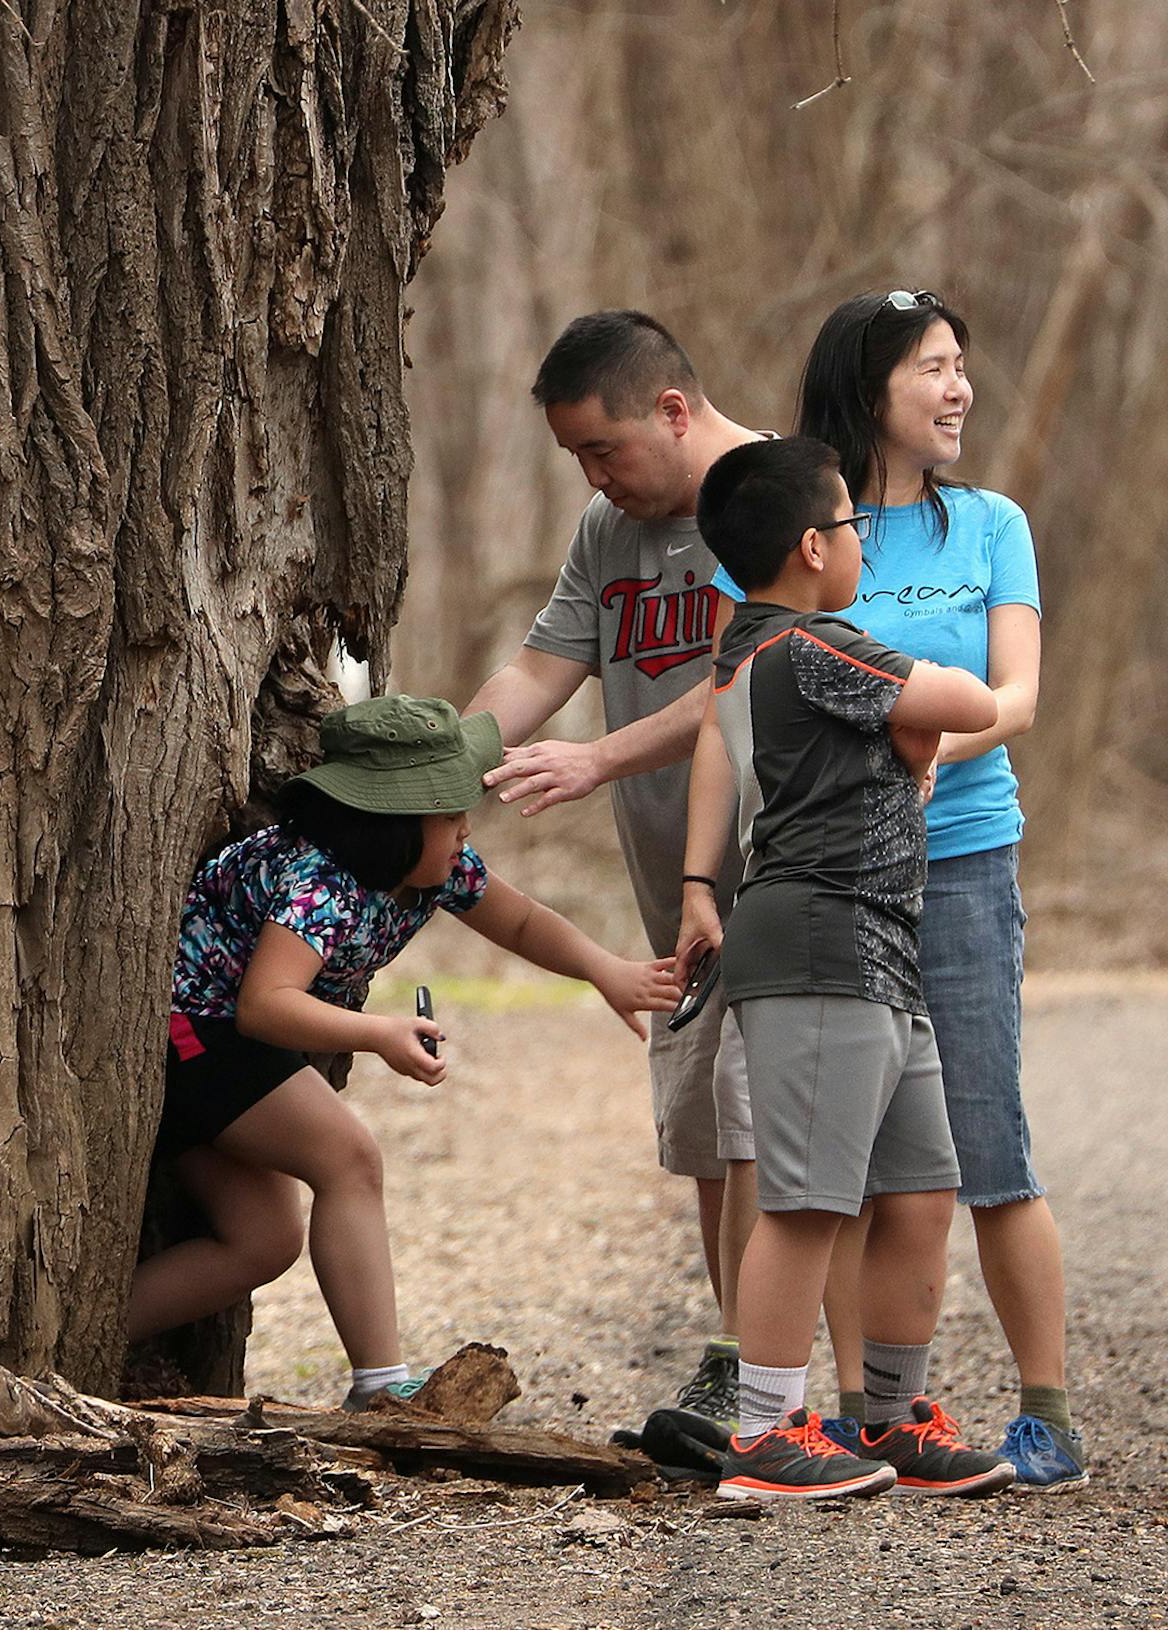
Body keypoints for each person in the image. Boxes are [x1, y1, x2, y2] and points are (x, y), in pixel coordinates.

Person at [126, 695, 683, 1411]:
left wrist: (604, 969)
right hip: (197, 1032)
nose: (463, 829)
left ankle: (91, 1345)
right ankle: (381, 1387)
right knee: (349, 1157)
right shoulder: (319, 882)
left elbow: (519, 920)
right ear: (392, 819)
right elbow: (266, 1004)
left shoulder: (435, 866)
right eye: (449, 813)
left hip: (233, 1035)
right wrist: (379, 1032)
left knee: (262, 1240)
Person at [774, 289, 1081, 1491]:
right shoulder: (814, 525)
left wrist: (925, 747)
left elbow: (1016, 698)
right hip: (838, 876)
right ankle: (863, 1416)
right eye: (933, 369)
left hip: (961, 863)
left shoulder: (993, 523)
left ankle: (1046, 1412)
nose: (958, 389)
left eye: (963, 364)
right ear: (870, 390)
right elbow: (762, 666)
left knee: (989, 1148)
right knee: (848, 1160)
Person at [683, 436, 1012, 1500]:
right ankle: (767, 1433)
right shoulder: (809, 645)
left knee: (920, 1184)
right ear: (814, 545)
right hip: (821, 938)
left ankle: (887, 1414)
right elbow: (970, 702)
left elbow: (911, 738)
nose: (864, 546)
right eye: (855, 527)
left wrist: (909, 745)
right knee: (810, 1199)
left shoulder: (763, 647)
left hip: (879, 941)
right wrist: (927, 718)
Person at [466, 311, 765, 1427]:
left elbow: (748, 669)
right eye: (578, 458)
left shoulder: (776, 495)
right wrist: (438, 763)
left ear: (674, 411)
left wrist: (597, 755)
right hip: (667, 890)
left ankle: (753, 1367)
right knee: (704, 1134)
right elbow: (543, 665)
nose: (595, 476)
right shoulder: (609, 528)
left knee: (753, 1116)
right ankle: (741, 1360)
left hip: (775, 869)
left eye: (606, 449)